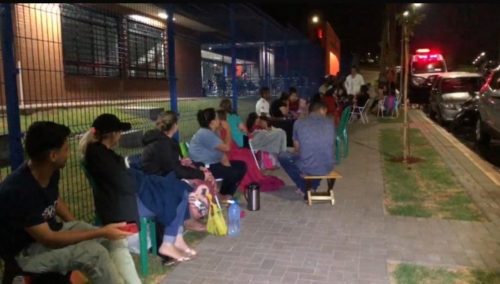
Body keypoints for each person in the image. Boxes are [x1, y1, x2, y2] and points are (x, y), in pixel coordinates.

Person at [0, 121, 141, 284]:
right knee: (94, 253)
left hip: (50, 233)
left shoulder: (48, 170)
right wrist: (100, 232)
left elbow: (54, 199)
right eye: (66, 149)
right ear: (53, 156)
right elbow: (49, 239)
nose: (69, 153)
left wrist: (76, 224)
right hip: (26, 254)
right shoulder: (20, 191)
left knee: (114, 239)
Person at [80, 114, 196, 262]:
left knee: (178, 188)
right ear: (113, 134)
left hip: (128, 197)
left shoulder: (100, 153)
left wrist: (138, 176)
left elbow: (123, 175)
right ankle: (168, 243)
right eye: (120, 132)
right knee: (174, 193)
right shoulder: (100, 156)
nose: (120, 136)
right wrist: (140, 179)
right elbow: (125, 183)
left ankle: (175, 239)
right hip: (125, 205)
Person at [141, 110, 213, 232]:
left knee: (189, 183)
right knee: (186, 188)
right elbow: (175, 170)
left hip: (160, 177)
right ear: (174, 125)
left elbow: (168, 164)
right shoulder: (164, 143)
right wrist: (202, 174)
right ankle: (188, 220)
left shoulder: (162, 141)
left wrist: (181, 162)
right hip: (155, 182)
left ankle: (193, 215)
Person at [278, 101, 336, 201]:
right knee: (319, 154)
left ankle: (305, 188)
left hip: (308, 166)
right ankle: (312, 186)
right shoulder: (330, 123)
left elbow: (297, 149)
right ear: (322, 110)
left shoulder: (299, 123)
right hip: (328, 165)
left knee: (283, 156)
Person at [216, 110, 284, 192]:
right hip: (228, 151)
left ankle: (253, 176)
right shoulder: (223, 128)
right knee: (244, 155)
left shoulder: (225, 127)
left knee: (246, 154)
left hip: (232, 148)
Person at [189, 108, 247, 199]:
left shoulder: (214, 131)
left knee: (241, 166)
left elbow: (222, 151)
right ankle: (223, 195)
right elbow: (227, 148)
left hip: (213, 163)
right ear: (212, 122)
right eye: (217, 118)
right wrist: (228, 129)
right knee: (233, 172)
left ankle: (227, 194)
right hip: (204, 167)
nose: (219, 120)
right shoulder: (205, 133)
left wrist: (228, 168)